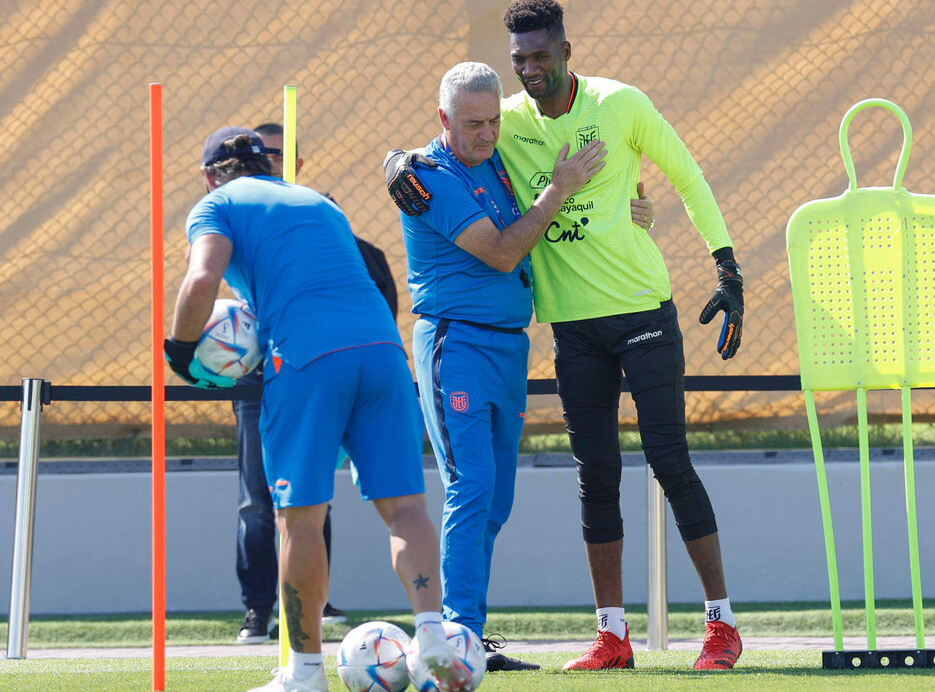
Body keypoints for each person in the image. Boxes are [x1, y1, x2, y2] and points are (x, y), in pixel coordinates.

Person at [385, 0, 746, 672]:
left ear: (567, 52)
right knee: (585, 477)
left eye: (542, 57)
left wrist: (725, 264)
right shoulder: (502, 126)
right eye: (520, 60)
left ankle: (721, 625)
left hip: (640, 313)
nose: (531, 72)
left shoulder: (615, 104)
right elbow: (450, 157)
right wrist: (396, 161)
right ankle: (601, 636)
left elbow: (685, 174)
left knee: (666, 462)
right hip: (553, 332)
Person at [165, 127, 470, 692]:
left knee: (298, 518)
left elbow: (203, 277)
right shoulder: (314, 201)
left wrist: (181, 353)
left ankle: (305, 674)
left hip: (307, 357)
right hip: (382, 353)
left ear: (209, 176)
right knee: (406, 509)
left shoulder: (215, 205)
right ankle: (431, 639)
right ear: (271, 165)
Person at [397, 61, 605, 672]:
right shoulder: (429, 174)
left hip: (508, 346)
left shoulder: (494, 154)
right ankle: (457, 635)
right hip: (455, 345)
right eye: (472, 124)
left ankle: (468, 630)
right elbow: (503, 249)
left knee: (497, 498)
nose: (487, 134)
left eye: (493, 121)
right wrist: (557, 190)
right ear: (443, 120)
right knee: (472, 485)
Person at [233, 123, 397, 644]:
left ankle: (311, 606)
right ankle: (258, 609)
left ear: (297, 163)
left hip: (320, 372)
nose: (271, 162)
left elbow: (380, 294)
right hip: (263, 381)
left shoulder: (331, 221)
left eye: (280, 154)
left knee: (311, 497)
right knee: (260, 501)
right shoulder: (238, 226)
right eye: (263, 155)